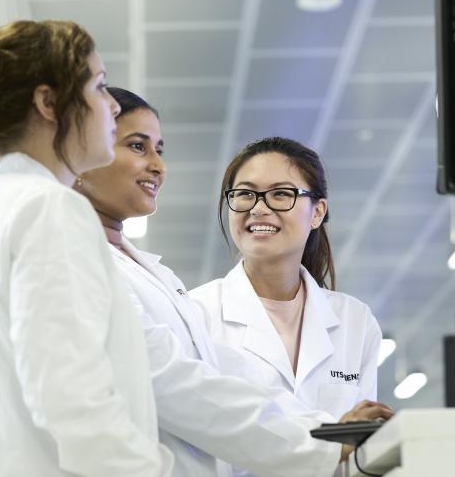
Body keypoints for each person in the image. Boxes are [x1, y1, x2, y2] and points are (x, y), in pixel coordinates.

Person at [76, 88, 392, 477]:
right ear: (83, 152)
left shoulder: (156, 279)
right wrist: (323, 439)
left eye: (281, 194)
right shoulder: (87, 263)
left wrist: (331, 434)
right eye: (138, 146)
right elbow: (180, 386)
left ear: (317, 212)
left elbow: (231, 380)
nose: (158, 166)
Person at [0, 22, 173, 477]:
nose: (111, 106)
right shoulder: (47, 207)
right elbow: (72, 399)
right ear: (48, 102)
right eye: (100, 87)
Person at [190, 137, 383, 474]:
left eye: (281, 193)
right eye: (245, 194)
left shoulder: (355, 320)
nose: (258, 208)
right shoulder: (196, 313)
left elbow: (360, 452)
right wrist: (337, 435)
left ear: (317, 212)